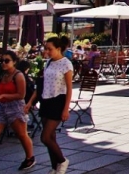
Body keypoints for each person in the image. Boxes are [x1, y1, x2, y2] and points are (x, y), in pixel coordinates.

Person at [0, 51, 35, 171]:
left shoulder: (18, 75)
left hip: (15, 107)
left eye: (7, 61)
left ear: (14, 62)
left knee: (21, 134)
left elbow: (21, 94)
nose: (3, 63)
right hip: (1, 107)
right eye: (2, 61)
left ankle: (30, 157)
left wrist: (2, 96)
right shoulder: (2, 74)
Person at [40, 35, 73, 174]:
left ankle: (62, 161)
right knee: (51, 137)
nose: (47, 52)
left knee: (45, 137)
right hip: (45, 100)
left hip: (58, 100)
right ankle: (54, 167)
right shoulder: (48, 62)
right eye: (46, 49)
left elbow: (69, 88)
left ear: (58, 49)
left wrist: (66, 109)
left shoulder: (66, 63)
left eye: (50, 49)